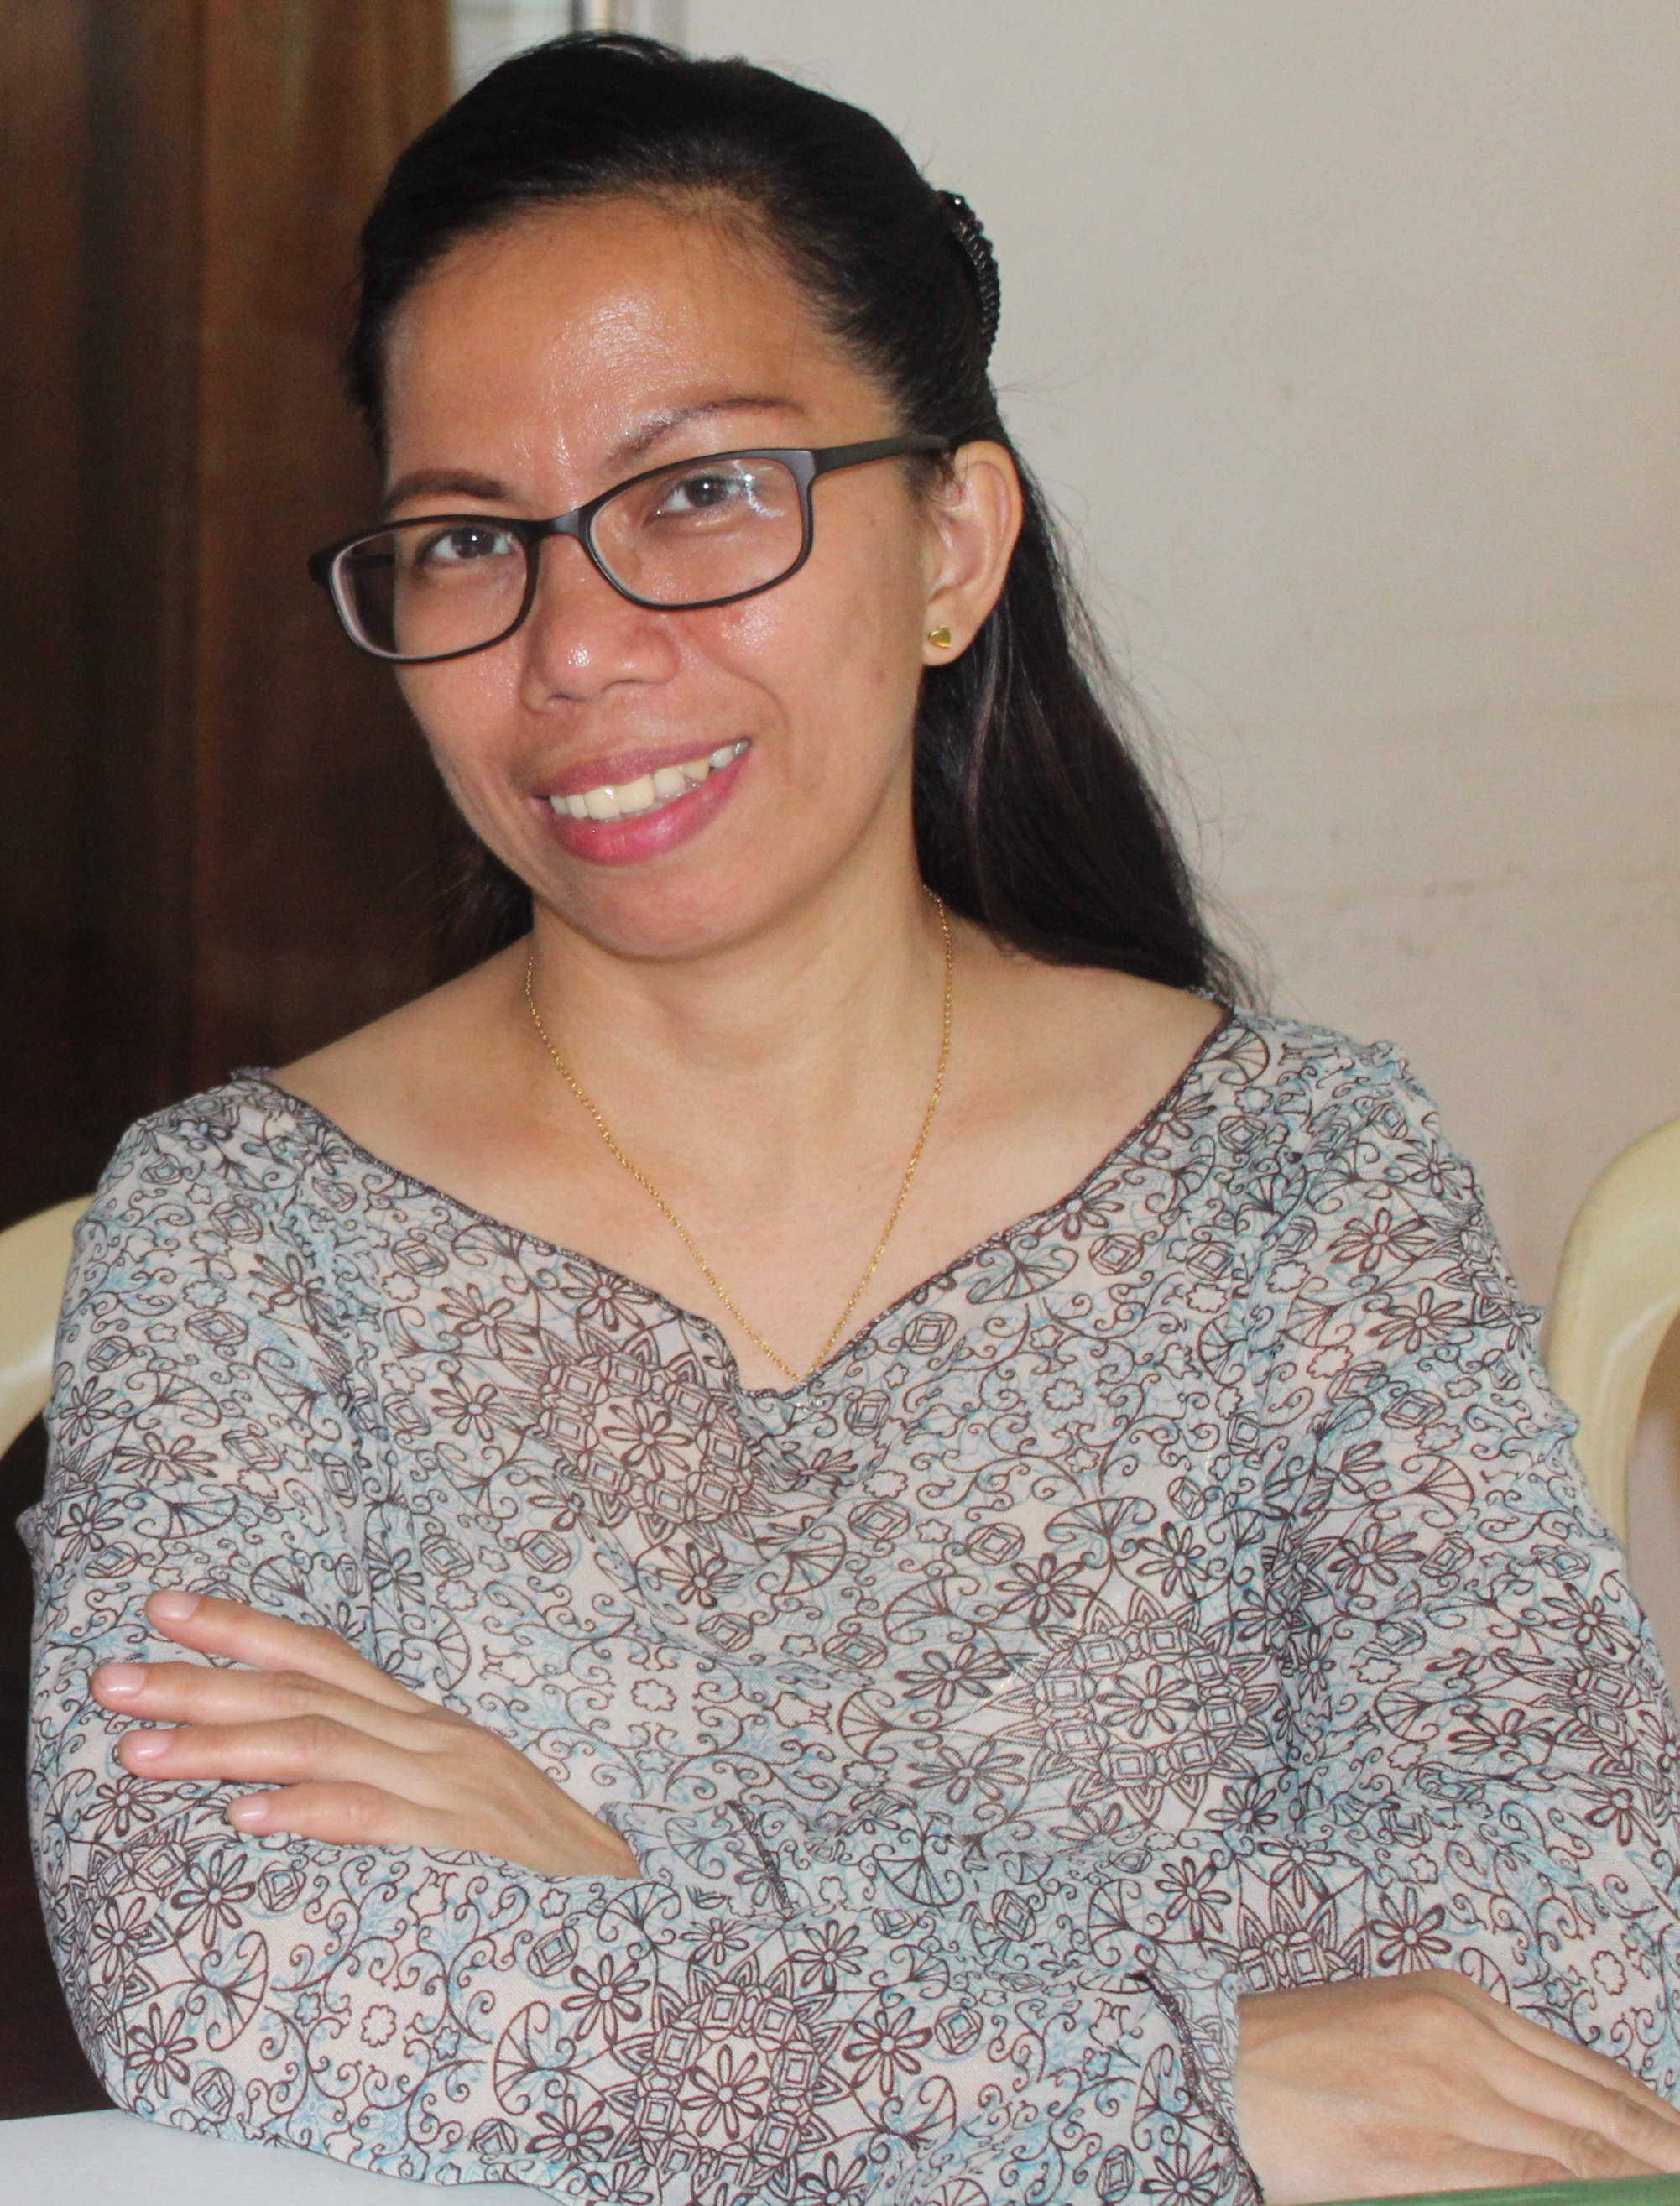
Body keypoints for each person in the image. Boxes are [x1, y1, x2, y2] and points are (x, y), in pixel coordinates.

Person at [26, 33, 1680, 2206]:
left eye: (701, 492)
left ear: (950, 542)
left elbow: (1574, 1945)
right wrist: (1174, 2087)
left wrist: (619, 1891)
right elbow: (217, 1965)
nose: (574, 648)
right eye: (467, 541)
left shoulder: (1296, 1176)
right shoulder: (242, 1234)